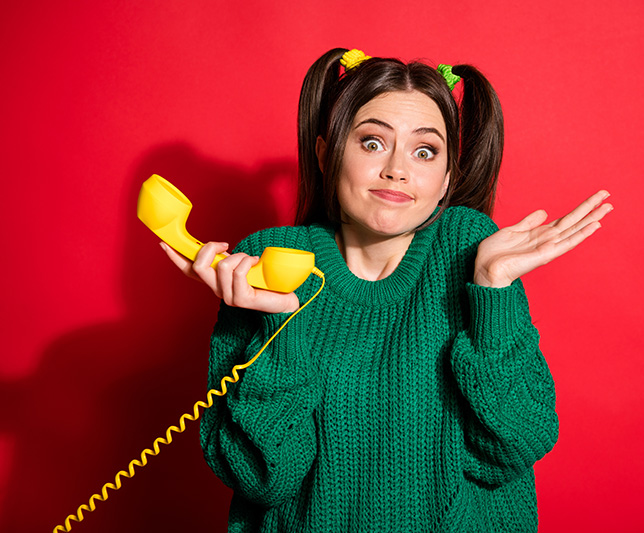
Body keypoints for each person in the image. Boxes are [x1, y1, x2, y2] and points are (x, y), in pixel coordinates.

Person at [161, 47, 613, 532]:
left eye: (424, 151)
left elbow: (516, 446)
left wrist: (493, 293)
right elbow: (263, 477)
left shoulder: (469, 249)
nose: (397, 169)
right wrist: (280, 321)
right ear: (325, 154)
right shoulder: (267, 259)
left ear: (446, 179)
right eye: (372, 142)